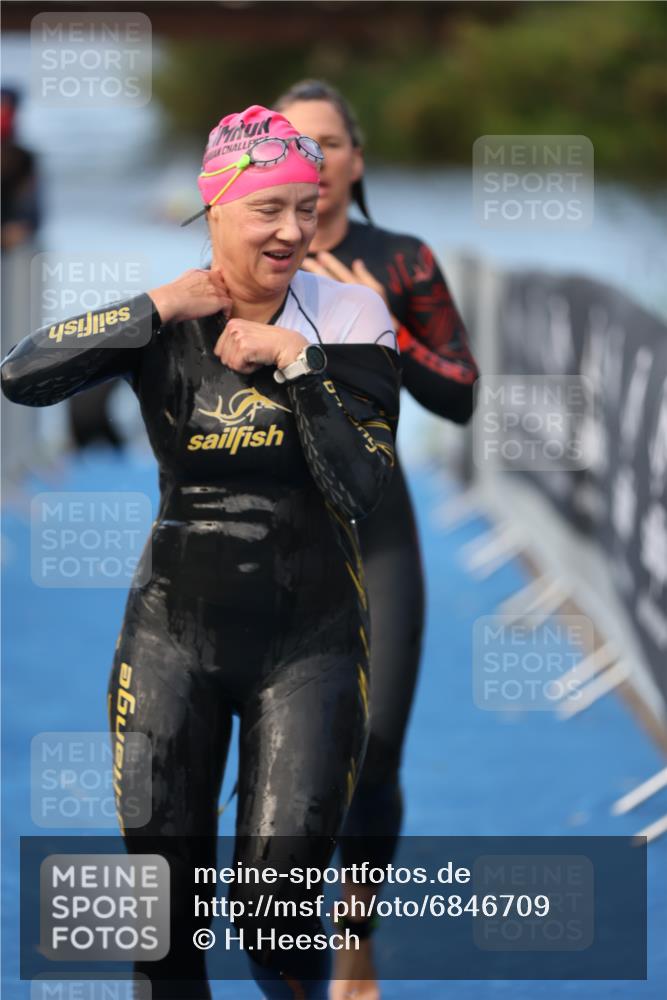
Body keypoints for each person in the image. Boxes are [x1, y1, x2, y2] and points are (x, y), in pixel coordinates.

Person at [1, 104, 401, 1000]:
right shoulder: (168, 316)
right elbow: (19, 375)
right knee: (162, 927)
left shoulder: (350, 313)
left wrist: (302, 367)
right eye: (269, 209)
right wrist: (153, 307)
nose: (293, 230)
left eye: (307, 207)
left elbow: (361, 488)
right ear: (215, 205)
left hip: (310, 648)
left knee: (275, 921)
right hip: (169, 641)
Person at [275, 80, 479, 999]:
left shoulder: (400, 260)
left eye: (329, 144)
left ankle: (352, 940)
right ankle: (284, 949)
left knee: (375, 751)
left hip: (378, 532)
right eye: (292, 144)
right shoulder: (247, 263)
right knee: (284, 763)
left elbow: (460, 392)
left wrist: (381, 327)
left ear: (357, 160)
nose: (312, 161)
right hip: (272, 540)